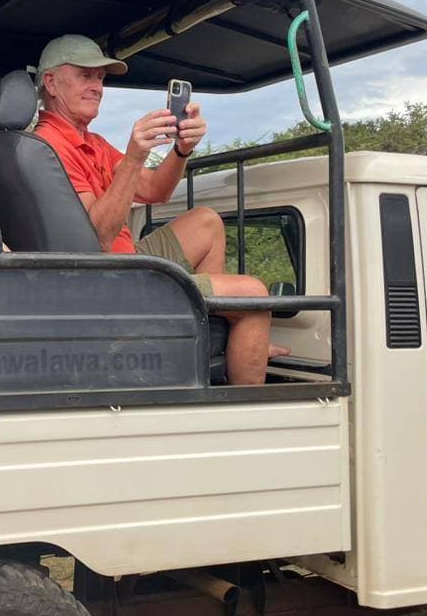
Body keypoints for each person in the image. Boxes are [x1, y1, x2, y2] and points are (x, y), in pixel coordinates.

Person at [32, 34, 287, 385]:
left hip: (128, 259)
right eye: (85, 75)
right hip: (112, 279)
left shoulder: (90, 141)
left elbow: (156, 190)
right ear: (51, 82)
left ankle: (213, 334)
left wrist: (181, 151)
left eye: (101, 78)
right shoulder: (50, 146)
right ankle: (247, 416)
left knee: (207, 222)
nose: (97, 87)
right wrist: (135, 156)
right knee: (255, 294)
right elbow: (98, 239)